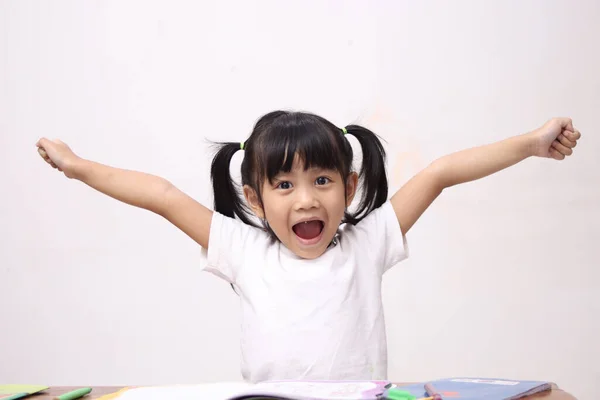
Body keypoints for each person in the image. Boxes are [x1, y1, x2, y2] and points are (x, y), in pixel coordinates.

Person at [36, 111, 581, 383]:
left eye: (323, 181)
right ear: (254, 196)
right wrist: (80, 167)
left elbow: (440, 173)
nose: (306, 200)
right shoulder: (244, 252)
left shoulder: (368, 244)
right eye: (284, 185)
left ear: (350, 186)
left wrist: (531, 144)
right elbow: (160, 194)